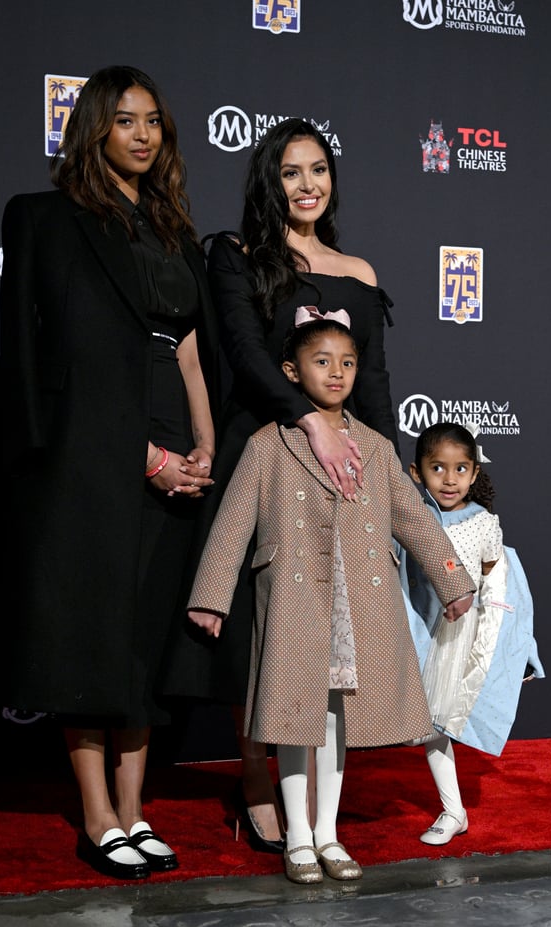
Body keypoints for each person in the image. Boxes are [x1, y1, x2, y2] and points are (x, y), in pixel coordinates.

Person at [0, 66, 220, 879]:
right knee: (88, 633)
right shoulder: (46, 220)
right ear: (92, 125)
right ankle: (96, 816)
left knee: (144, 639)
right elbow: (44, 365)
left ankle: (134, 811)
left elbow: (190, 347)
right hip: (89, 453)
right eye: (124, 119)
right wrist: (139, 456)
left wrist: (201, 446)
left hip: (171, 429)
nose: (141, 134)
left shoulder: (172, 232)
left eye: (153, 120)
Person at [170, 117, 400, 851]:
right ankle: (255, 778)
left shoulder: (359, 274)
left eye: (318, 170)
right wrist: (309, 419)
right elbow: (241, 352)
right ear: (269, 183)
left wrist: (384, 477)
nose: (307, 185)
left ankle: (315, 794)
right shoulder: (236, 256)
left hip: (342, 468)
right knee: (256, 635)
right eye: (291, 172)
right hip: (264, 452)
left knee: (325, 627)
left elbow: (375, 392)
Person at [188, 309, 475, 883]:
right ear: (292, 371)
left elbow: (413, 521)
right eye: (322, 362)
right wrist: (211, 595)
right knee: (296, 718)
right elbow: (232, 522)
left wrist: (453, 579)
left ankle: (328, 835)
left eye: (347, 363)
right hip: (296, 599)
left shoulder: (373, 446)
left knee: (337, 724)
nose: (337, 373)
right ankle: (297, 838)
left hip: (359, 603)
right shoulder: (269, 443)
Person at [401, 422, 544, 846]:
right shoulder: (411, 517)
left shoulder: (484, 523)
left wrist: (519, 650)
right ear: (416, 472)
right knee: (427, 727)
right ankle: (454, 811)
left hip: (462, 640)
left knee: (437, 725)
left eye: (461, 468)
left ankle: (452, 811)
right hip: (419, 632)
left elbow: (501, 586)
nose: (449, 479)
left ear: (475, 473)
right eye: (438, 468)